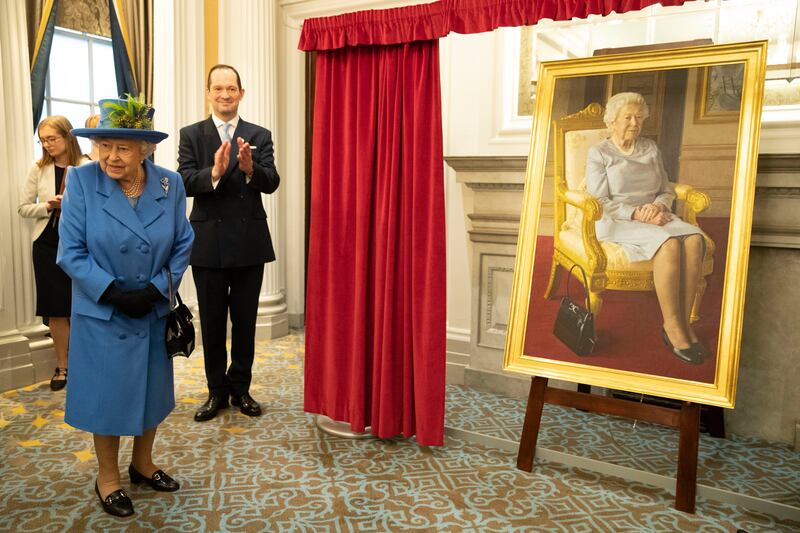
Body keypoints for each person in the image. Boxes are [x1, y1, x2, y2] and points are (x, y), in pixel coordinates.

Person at [57, 95, 194, 517]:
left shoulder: (169, 185)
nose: (111, 156)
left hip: (151, 308)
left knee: (151, 391)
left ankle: (143, 463)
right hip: (103, 311)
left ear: (144, 150)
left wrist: (157, 290)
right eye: (103, 145)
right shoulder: (80, 183)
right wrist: (113, 291)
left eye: (123, 147)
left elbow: (183, 241)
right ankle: (108, 477)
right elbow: (71, 252)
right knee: (108, 396)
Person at [178, 64, 280, 422]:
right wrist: (216, 172)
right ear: (208, 92)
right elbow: (184, 182)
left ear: (241, 93)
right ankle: (216, 392)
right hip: (207, 244)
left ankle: (241, 388)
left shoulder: (259, 134)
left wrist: (251, 168)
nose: (225, 94)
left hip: (249, 242)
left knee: (245, 322)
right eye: (218, 88)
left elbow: (272, 182)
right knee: (213, 323)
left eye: (231, 88)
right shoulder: (191, 134)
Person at [585, 92, 709, 365]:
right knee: (669, 244)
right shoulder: (599, 153)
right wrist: (638, 213)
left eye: (639, 118)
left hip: (655, 216)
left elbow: (666, 189)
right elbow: (599, 201)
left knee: (693, 240)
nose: (634, 123)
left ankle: (685, 322)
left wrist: (659, 207)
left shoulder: (651, 148)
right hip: (618, 221)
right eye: (627, 117)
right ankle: (672, 326)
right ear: (612, 121)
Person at [18, 116, 89, 391]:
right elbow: (23, 208)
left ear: (67, 137)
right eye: (43, 140)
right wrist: (47, 206)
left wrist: (69, 205)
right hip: (47, 245)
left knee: (80, 306)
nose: (47, 145)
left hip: (79, 245)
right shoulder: (38, 169)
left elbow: (94, 208)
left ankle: (84, 364)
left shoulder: (87, 166)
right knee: (57, 310)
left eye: (52, 139)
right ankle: (63, 367)